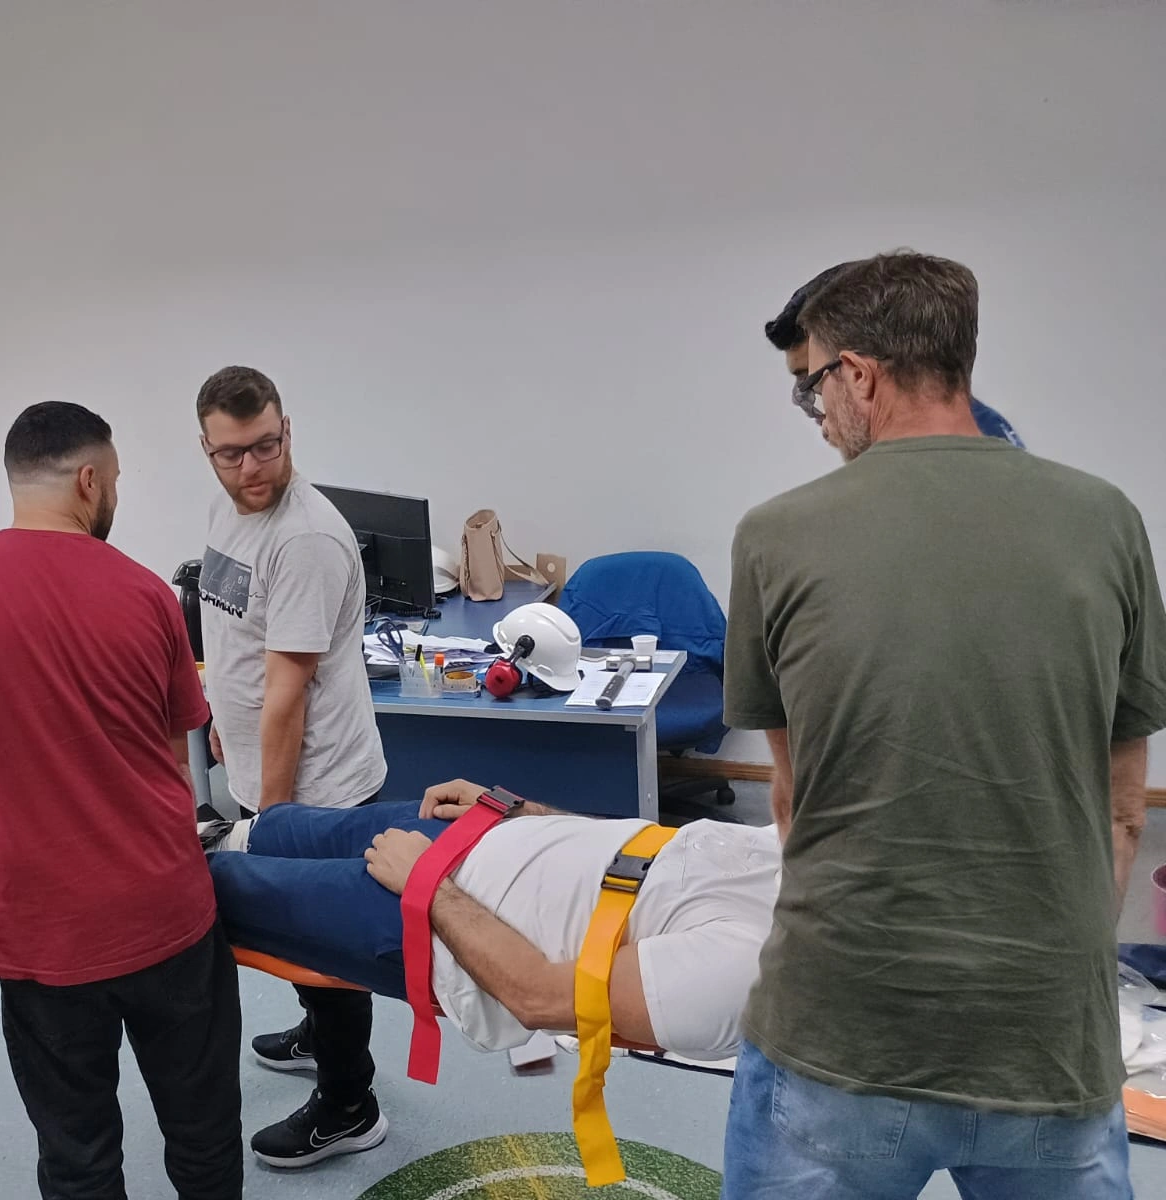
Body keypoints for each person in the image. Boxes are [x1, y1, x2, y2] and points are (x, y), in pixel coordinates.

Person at [723, 251, 1166, 1198]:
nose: (817, 415)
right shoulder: (1109, 520)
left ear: (859, 375)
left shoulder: (775, 534)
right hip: (1048, 1042)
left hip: (842, 1029)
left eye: (812, 388)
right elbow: (1125, 812)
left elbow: (794, 801)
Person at [0, 403, 242, 1200]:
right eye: (117, 482)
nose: (116, 497)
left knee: (77, 1157)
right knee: (204, 1134)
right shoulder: (149, 592)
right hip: (170, 916)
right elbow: (177, 763)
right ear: (89, 481)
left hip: (46, 935)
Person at [205, 778, 779, 1072]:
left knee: (214, 884)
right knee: (273, 827)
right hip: (473, 836)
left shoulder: (750, 971)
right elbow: (644, 856)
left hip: (437, 923)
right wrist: (526, 813)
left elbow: (538, 998)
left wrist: (428, 885)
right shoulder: (795, 848)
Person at [195, 364, 390, 1167]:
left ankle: (350, 1104)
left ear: (287, 432)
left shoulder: (305, 538)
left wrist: (270, 825)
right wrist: (220, 718)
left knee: (325, 945)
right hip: (262, 768)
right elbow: (230, 629)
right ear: (207, 449)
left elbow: (287, 697)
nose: (252, 468)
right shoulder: (229, 507)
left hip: (318, 790)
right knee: (300, 939)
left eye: (266, 446)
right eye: (232, 453)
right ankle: (317, 1031)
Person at [765, 261, 1025, 448]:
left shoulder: (972, 439)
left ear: (859, 372)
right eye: (805, 383)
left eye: (816, 381)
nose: (814, 405)